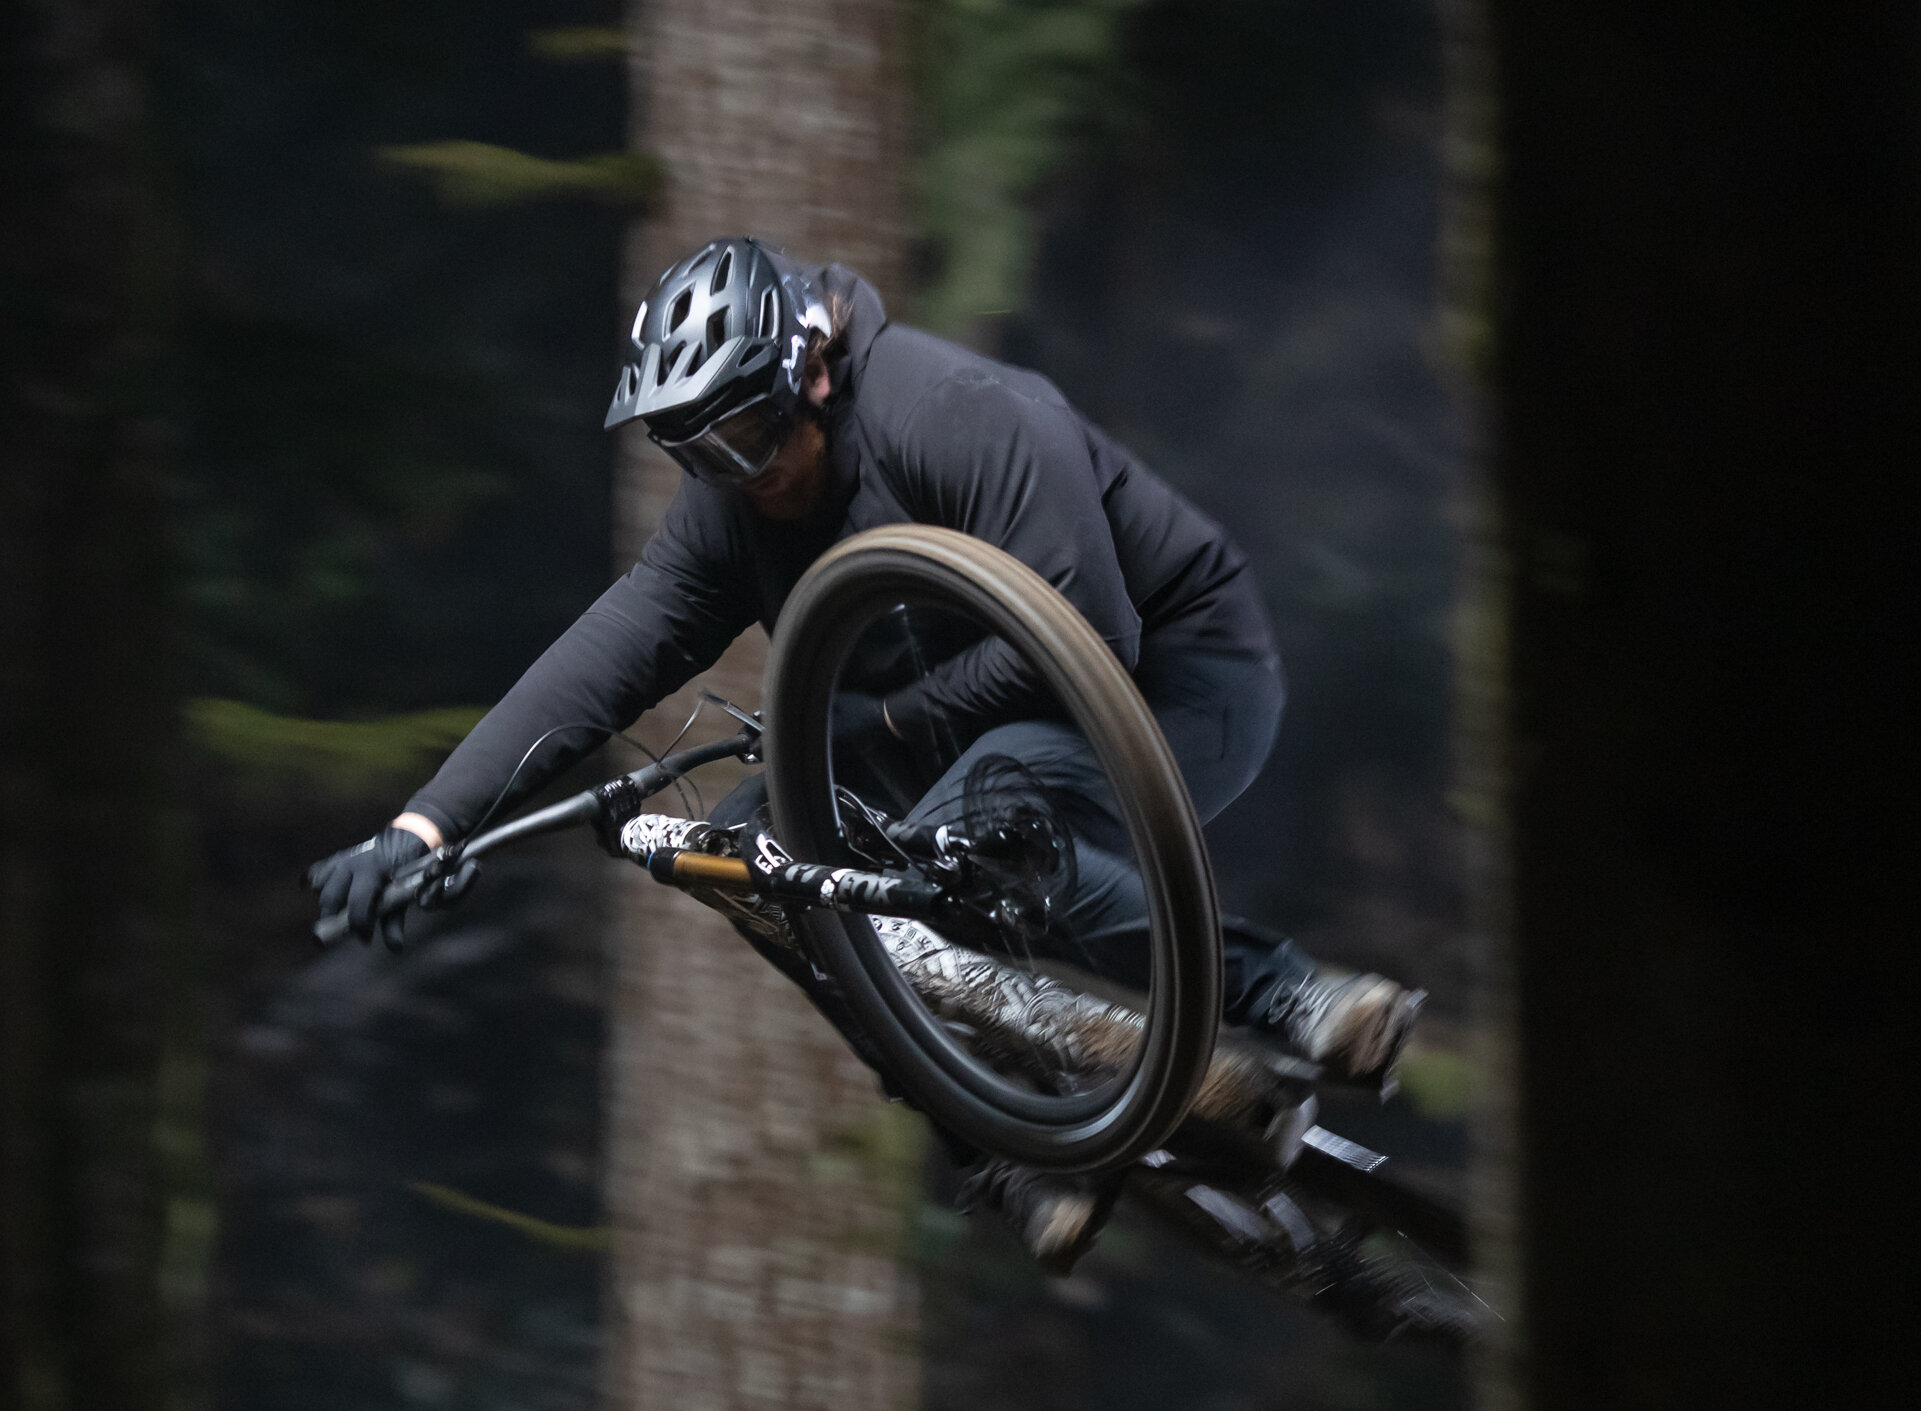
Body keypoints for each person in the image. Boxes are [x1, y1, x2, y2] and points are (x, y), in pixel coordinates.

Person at [310, 236, 1422, 1266]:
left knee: (979, 814)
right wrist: (426, 824)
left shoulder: (954, 413)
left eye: (741, 435)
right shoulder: (729, 502)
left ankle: (1296, 998)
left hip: (1173, 675)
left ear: (814, 379)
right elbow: (597, 660)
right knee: (755, 855)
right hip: (972, 714)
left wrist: (881, 726)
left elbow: (1093, 635)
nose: (730, 472)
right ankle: (1000, 1136)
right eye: (687, 448)